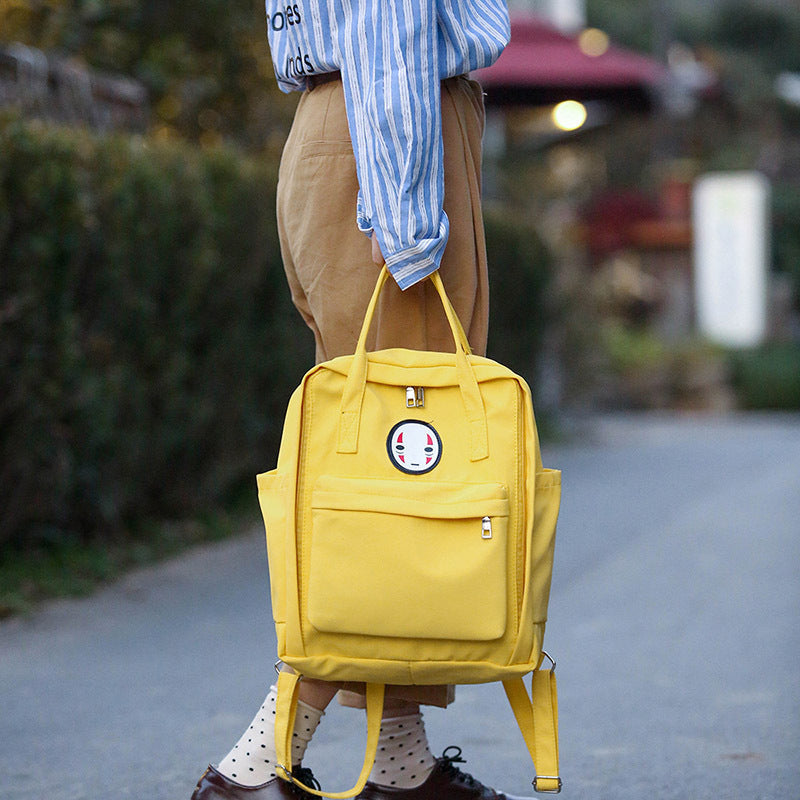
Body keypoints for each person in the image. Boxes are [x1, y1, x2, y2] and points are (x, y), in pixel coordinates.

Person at [190, 2, 526, 798]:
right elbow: (389, 19)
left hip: (353, 125)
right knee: (400, 493)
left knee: (394, 483)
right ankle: (253, 768)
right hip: (388, 126)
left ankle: (401, 765)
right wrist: (408, 207)